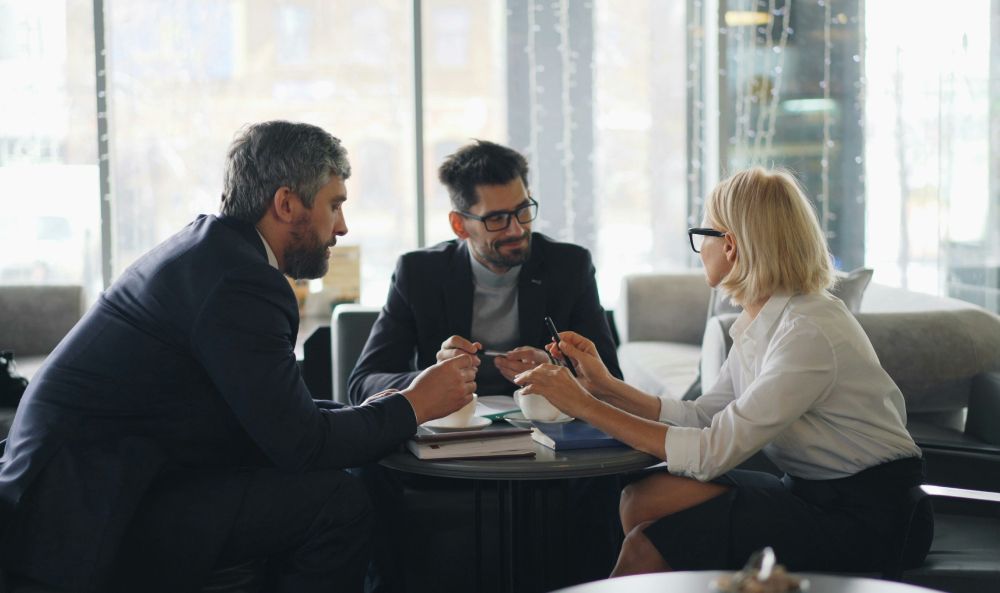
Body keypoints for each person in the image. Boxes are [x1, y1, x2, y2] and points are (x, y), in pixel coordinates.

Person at [0, 121, 477, 593]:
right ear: (287, 203)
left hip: (106, 484)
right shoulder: (240, 282)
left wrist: (391, 407)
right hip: (89, 514)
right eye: (334, 205)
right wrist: (413, 406)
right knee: (338, 500)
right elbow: (301, 444)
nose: (342, 226)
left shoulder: (213, 252)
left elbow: (278, 418)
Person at [514, 167, 930, 576]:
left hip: (869, 519)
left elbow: (711, 454)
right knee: (641, 498)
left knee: (647, 547)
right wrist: (605, 387)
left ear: (730, 245)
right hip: (810, 490)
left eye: (703, 235)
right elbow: (703, 415)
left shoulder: (808, 333)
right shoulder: (766, 321)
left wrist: (584, 405)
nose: (701, 249)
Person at [348, 139, 623, 591]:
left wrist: (559, 373)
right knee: (369, 467)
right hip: (454, 439)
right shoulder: (419, 273)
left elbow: (611, 379)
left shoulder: (568, 266)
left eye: (523, 211)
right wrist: (429, 379)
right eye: (497, 219)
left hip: (549, 447)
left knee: (608, 476)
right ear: (460, 224)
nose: (516, 229)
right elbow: (363, 383)